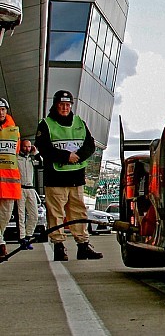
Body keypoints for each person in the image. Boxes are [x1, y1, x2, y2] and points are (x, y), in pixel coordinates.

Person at [35, 90, 102, 261]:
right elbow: (44, 148)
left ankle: (83, 245)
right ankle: (58, 246)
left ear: (71, 105)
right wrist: (66, 157)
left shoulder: (79, 122)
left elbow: (90, 144)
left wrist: (78, 156)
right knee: (56, 213)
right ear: (56, 105)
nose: (65, 108)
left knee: (79, 212)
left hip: (76, 177)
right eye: (61, 105)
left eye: (68, 105)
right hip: (56, 178)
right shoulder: (46, 124)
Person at [0, 98, 20, 260]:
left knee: (5, 216)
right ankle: (0, 243)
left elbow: (16, 151)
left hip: (9, 182)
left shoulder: (13, 130)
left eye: (3, 109)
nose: (0, 112)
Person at [17, 140, 41, 248]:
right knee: (21, 215)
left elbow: (41, 164)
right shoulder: (16, 158)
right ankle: (22, 238)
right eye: (25, 147)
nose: (27, 149)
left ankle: (28, 236)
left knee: (34, 215)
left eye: (29, 147)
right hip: (20, 188)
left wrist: (35, 153)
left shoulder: (32, 159)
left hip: (30, 188)